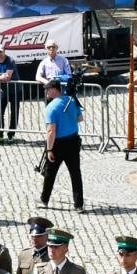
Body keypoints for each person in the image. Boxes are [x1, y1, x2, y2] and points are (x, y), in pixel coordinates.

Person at [40, 78, 84, 211]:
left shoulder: (51, 107)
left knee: (50, 173)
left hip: (58, 144)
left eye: (48, 89)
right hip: (73, 141)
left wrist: (49, 149)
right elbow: (80, 118)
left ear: (54, 90)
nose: (46, 91)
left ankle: (44, 200)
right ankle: (79, 204)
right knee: (75, 173)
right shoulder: (71, 101)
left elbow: (51, 131)